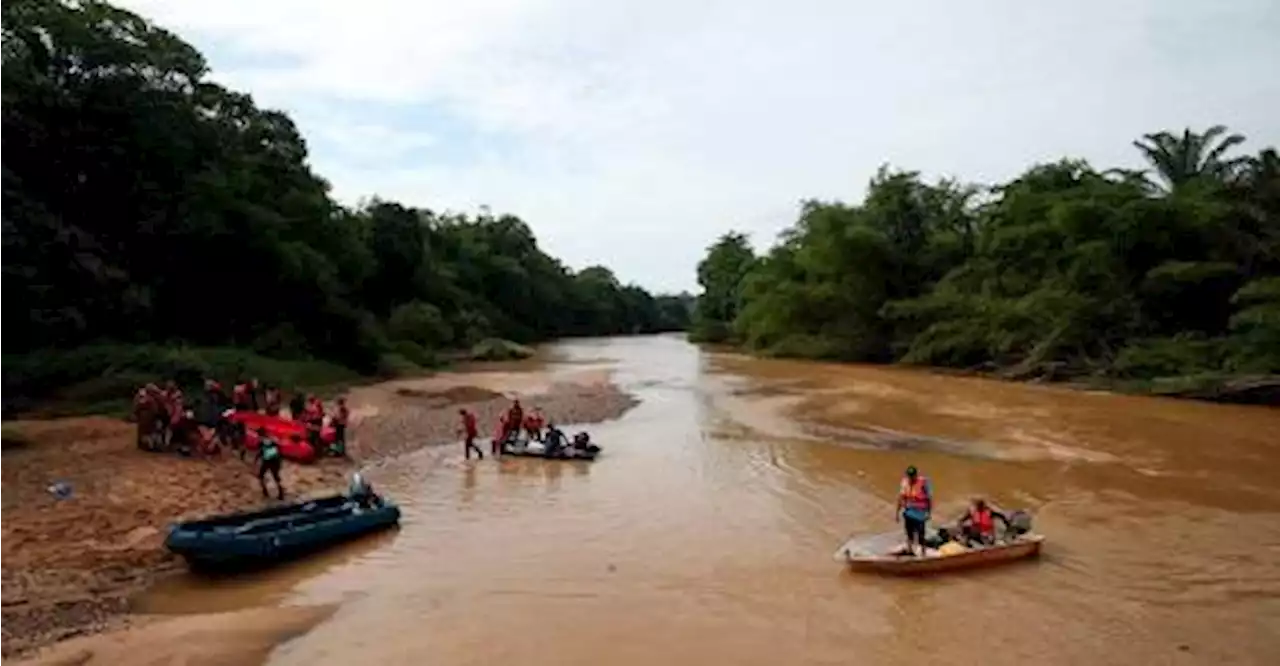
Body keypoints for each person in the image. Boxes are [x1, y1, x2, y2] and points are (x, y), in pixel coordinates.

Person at [895, 465, 932, 556]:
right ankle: (910, 550)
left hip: (920, 513)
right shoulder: (905, 483)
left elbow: (929, 499)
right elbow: (900, 498)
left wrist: (928, 513)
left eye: (913, 476)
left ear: (916, 475)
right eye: (909, 476)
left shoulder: (923, 483)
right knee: (909, 533)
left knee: (921, 535)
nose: (911, 478)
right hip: (909, 512)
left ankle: (923, 554)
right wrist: (897, 513)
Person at [254, 427, 285, 499]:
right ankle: (281, 493)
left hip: (267, 461)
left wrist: (256, 460)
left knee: (261, 476)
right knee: (276, 478)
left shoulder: (261, 442)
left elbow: (260, 452)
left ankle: (265, 491)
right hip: (275, 461)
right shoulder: (273, 439)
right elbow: (279, 450)